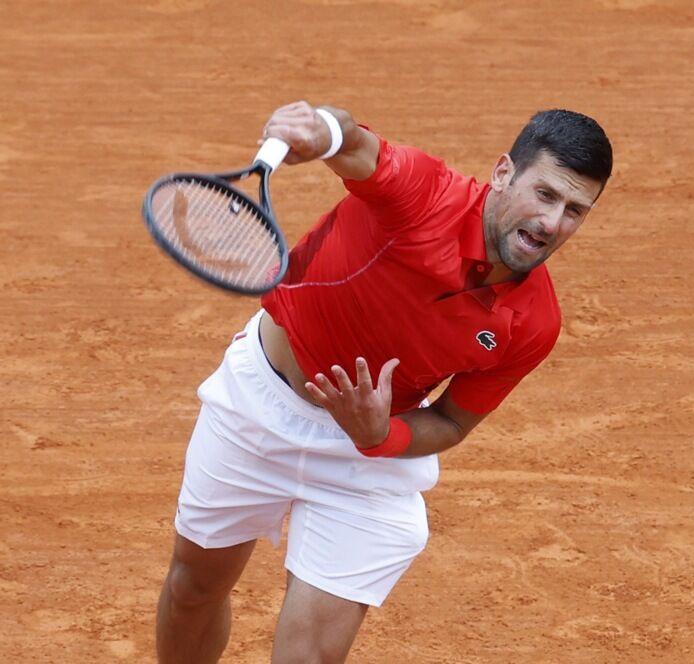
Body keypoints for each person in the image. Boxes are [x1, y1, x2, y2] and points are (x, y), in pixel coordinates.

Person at [155, 100, 613, 663]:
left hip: (366, 462)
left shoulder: (534, 323)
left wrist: (380, 436)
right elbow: (352, 143)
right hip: (258, 403)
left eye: (575, 210)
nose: (552, 223)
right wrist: (320, 128)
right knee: (193, 591)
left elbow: (450, 422)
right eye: (545, 194)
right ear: (503, 173)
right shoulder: (426, 194)